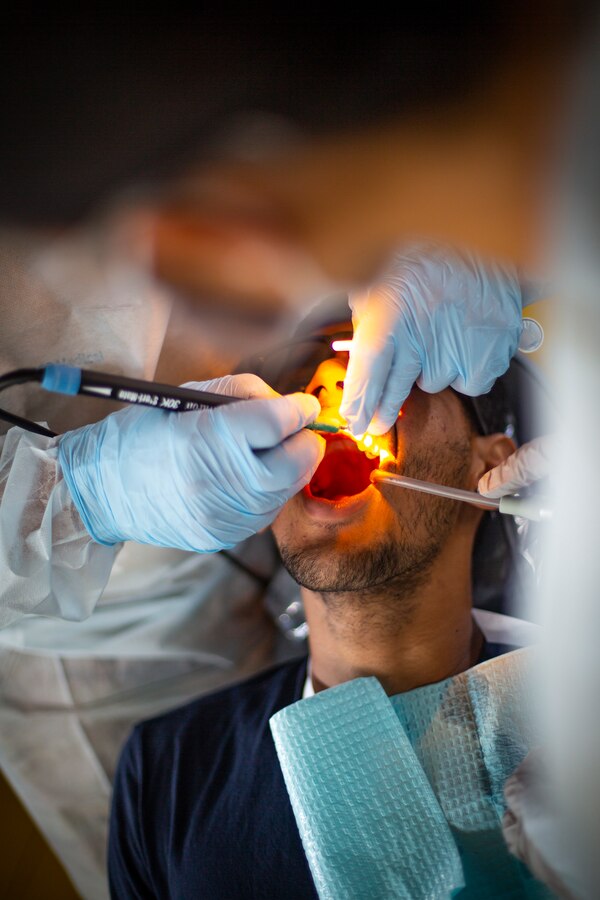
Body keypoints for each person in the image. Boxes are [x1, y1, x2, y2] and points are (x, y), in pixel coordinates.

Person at [108, 314, 547, 898]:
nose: (327, 381)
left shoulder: (578, 718)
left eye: (397, 371)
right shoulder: (167, 770)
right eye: (302, 383)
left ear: (490, 467)